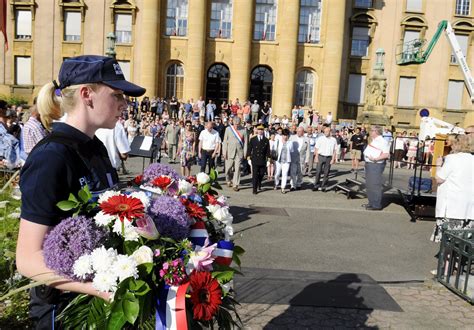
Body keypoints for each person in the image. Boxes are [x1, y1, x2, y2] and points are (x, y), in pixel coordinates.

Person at [17, 55, 146, 328]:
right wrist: (99, 287)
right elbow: (27, 259)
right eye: (117, 95)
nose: (124, 104)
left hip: (100, 305)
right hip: (66, 310)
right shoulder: (51, 157)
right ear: (87, 94)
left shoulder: (95, 147)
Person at [430, 135, 473, 242]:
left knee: (449, 240)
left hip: (452, 205)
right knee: (464, 240)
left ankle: (448, 258)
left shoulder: (452, 159)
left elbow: (439, 179)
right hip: (469, 207)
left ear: (458, 144)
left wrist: (439, 165)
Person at [362, 125, 390, 210]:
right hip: (369, 163)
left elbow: (386, 154)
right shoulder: (374, 140)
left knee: (375, 185)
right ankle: (371, 202)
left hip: (375, 164)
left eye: (371, 130)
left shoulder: (382, 141)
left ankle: (376, 205)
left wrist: (375, 159)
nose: (370, 132)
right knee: (369, 184)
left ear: (376, 132)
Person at [222, 117, 248, 191]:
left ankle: (235, 184)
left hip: (239, 153)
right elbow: (225, 141)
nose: (236, 125)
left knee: (237, 169)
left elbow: (246, 143)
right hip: (229, 152)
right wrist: (224, 152)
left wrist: (245, 153)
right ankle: (228, 180)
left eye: (238, 124)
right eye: (235, 124)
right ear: (232, 122)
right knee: (228, 169)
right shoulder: (228, 129)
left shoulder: (244, 130)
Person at [312, 126, 337, 192]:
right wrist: (316, 157)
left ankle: (324, 186)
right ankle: (316, 185)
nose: (326, 133)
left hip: (329, 157)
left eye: (327, 131)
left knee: (326, 173)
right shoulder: (320, 139)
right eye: (325, 131)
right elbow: (316, 148)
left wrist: (333, 159)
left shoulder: (333, 140)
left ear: (330, 132)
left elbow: (335, 150)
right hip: (320, 156)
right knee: (318, 171)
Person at [247, 124, 270, 194]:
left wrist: (269, 159)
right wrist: (248, 158)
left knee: (262, 174)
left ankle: (259, 182)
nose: (260, 131)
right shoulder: (253, 139)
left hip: (262, 160)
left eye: (261, 130)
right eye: (259, 129)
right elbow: (249, 149)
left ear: (263, 131)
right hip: (255, 159)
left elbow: (268, 150)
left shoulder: (266, 140)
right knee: (255, 175)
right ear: (257, 130)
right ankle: (254, 189)